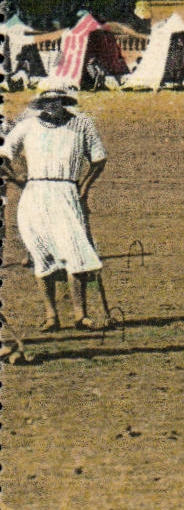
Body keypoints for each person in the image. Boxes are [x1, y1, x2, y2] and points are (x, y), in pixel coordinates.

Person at [0, 80, 110, 330]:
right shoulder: (27, 126)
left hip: (67, 191)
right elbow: (4, 154)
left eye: (57, 100)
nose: (52, 106)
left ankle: (80, 315)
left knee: (75, 254)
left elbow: (98, 159)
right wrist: (18, 178)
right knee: (42, 256)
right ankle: (51, 316)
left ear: (64, 101)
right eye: (47, 101)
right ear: (41, 104)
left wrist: (83, 189)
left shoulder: (82, 124)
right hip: (35, 194)